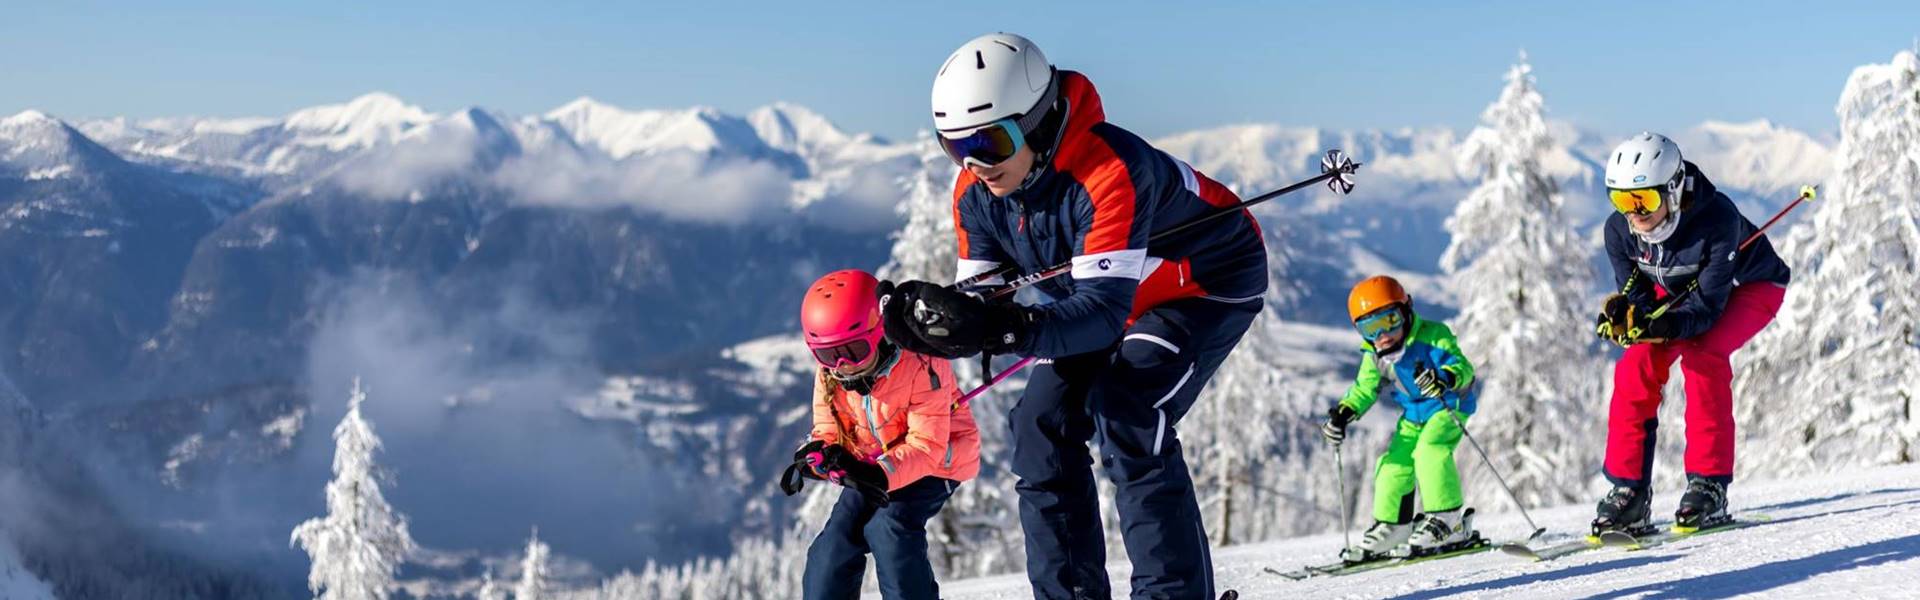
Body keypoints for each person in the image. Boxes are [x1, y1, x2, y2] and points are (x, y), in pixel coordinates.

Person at [879, 33, 1267, 598]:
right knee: (1038, 427)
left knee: (1129, 409)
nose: (974, 163)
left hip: (1201, 285)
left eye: (990, 141)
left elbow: (1102, 317)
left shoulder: (1109, 170)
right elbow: (986, 301)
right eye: (954, 145)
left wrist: (1002, 327)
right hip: (1099, 298)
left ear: (1036, 122)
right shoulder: (976, 191)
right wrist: (925, 328)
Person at [1590, 132, 1790, 535]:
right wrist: (1630, 315)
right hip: (1682, 293)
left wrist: (1663, 325)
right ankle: (1629, 494)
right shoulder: (1619, 232)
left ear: (1673, 188)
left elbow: (1707, 312)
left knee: (1704, 356)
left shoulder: (1718, 221)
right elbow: (1638, 292)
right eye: (1621, 200)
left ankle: (1708, 485)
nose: (1633, 214)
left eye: (1642, 199)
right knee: (1635, 368)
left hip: (1750, 287)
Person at [780, 269, 982, 600]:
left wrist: (873, 473)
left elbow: (927, 445)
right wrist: (821, 454)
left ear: (879, 332)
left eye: (855, 350)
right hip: (876, 468)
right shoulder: (831, 375)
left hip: (936, 463)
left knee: (889, 530)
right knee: (834, 544)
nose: (843, 364)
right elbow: (828, 429)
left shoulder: (922, 363)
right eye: (828, 354)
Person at [1320, 275, 1480, 560]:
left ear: (1406, 311)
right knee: (1393, 464)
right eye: (1370, 327)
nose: (1382, 334)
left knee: (1430, 452)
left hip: (1447, 405)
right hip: (1414, 415)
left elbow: (1463, 367)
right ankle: (1394, 527)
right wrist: (1344, 413)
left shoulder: (1434, 336)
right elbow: (1364, 389)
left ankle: (1448, 521)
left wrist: (1444, 377)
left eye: (1389, 320)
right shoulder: (1375, 355)